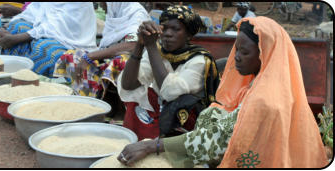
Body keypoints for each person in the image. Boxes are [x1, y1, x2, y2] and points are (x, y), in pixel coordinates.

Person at [117, 16, 329, 168]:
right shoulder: (255, 87)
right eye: (237, 49)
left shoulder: (265, 100)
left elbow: (218, 140)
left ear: (266, 56)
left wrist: (153, 146)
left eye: (244, 52)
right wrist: (142, 46)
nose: (236, 57)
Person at [118, 5, 219, 141]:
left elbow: (170, 92)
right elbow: (128, 84)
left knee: (175, 104)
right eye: (164, 28)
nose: (168, 34)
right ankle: (137, 140)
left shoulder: (199, 60)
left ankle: (157, 142)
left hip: (186, 118)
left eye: (176, 29)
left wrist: (152, 47)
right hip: (163, 109)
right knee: (137, 97)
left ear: (188, 34)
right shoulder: (158, 51)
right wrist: (140, 44)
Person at [52, 2, 149, 100]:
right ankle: (85, 96)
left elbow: (132, 45)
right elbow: (106, 47)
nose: (101, 6)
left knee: (120, 61)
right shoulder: (115, 14)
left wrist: (90, 56)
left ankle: (111, 100)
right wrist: (90, 56)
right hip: (107, 60)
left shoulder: (136, 13)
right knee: (73, 55)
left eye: (103, 2)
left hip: (133, 66)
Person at [0, 2, 97, 77]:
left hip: (70, 41)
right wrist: (9, 26)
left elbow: (56, 26)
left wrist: (17, 38)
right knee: (17, 27)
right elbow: (36, 11)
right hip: (47, 30)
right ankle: (10, 76)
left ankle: (30, 84)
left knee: (42, 50)